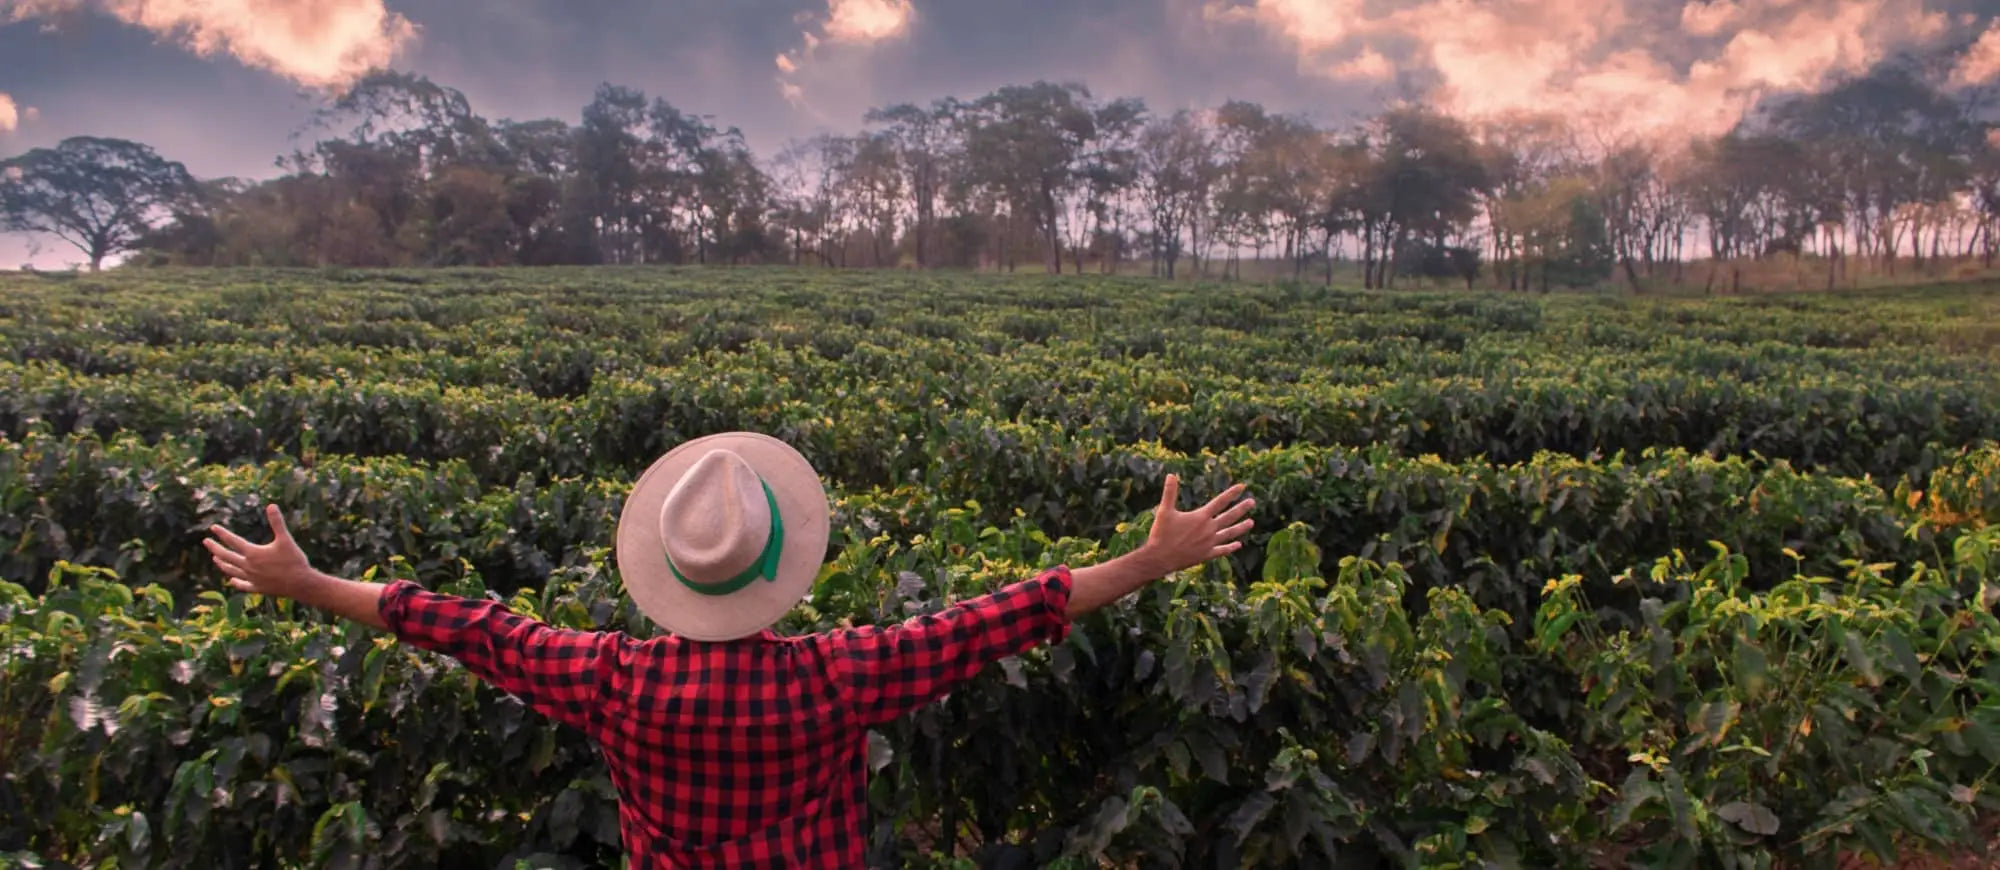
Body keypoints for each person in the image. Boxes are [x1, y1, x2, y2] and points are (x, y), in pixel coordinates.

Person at [203, 431, 1255, 869]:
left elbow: (457, 625)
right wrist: (1148, 562)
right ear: (781, 561)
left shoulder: (609, 681)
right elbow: (1009, 612)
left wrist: (306, 583)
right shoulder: (842, 676)